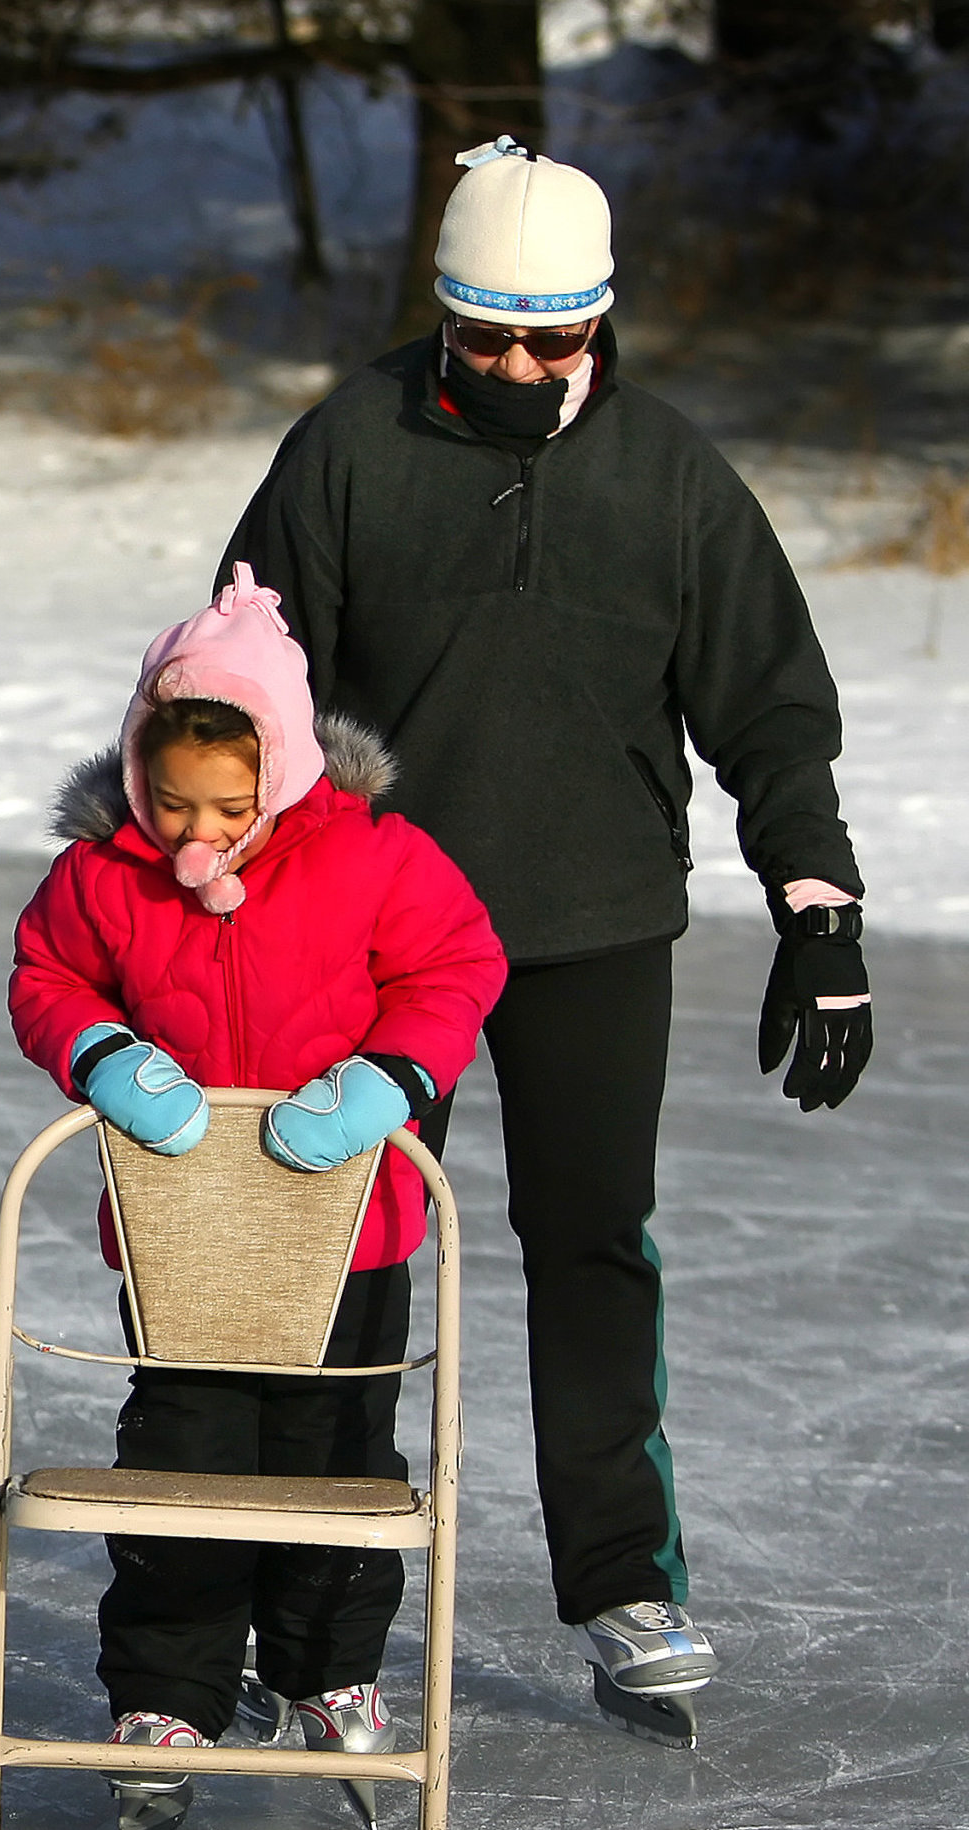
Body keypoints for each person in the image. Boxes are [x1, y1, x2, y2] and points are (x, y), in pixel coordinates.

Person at [216, 137, 870, 1744]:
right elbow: (240, 678)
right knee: (345, 1259)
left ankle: (624, 1582)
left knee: (592, 1245)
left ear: (599, 324)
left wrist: (820, 902)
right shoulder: (348, 446)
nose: (518, 368)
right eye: (486, 336)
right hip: (375, 934)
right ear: (444, 316)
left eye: (552, 339)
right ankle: (315, 1625)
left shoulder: (669, 477)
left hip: (591, 924)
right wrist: (216, 879)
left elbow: (771, 707)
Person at [10, 566, 506, 1829]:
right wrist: (106, 1054)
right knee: (183, 1459)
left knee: (333, 1458)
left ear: (281, 772)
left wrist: (388, 1075)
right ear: (135, 766)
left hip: (351, 1224)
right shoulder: (103, 873)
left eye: (225, 811)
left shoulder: (371, 856)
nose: (192, 839)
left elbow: (458, 964)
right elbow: (46, 975)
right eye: (168, 803)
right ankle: (167, 1693)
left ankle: (327, 1673)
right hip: (188, 1236)